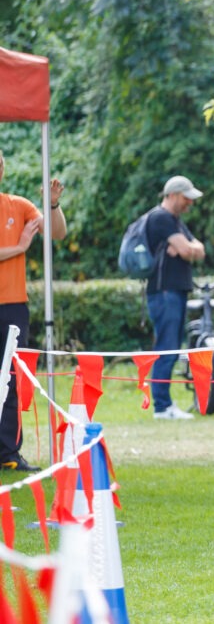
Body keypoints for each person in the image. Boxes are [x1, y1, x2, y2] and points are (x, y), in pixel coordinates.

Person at [0, 150, 66, 471]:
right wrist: (20, 248)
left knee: (11, 377)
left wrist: (53, 205)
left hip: (12, 305)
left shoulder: (17, 205)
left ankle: (8, 454)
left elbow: (56, 233)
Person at [145, 175, 207, 420]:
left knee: (170, 346)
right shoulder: (161, 218)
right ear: (172, 195)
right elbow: (187, 248)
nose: (189, 203)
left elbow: (197, 249)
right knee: (166, 347)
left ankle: (164, 404)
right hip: (164, 292)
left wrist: (189, 250)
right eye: (186, 198)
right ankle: (162, 406)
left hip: (173, 291)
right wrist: (187, 249)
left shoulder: (175, 221)